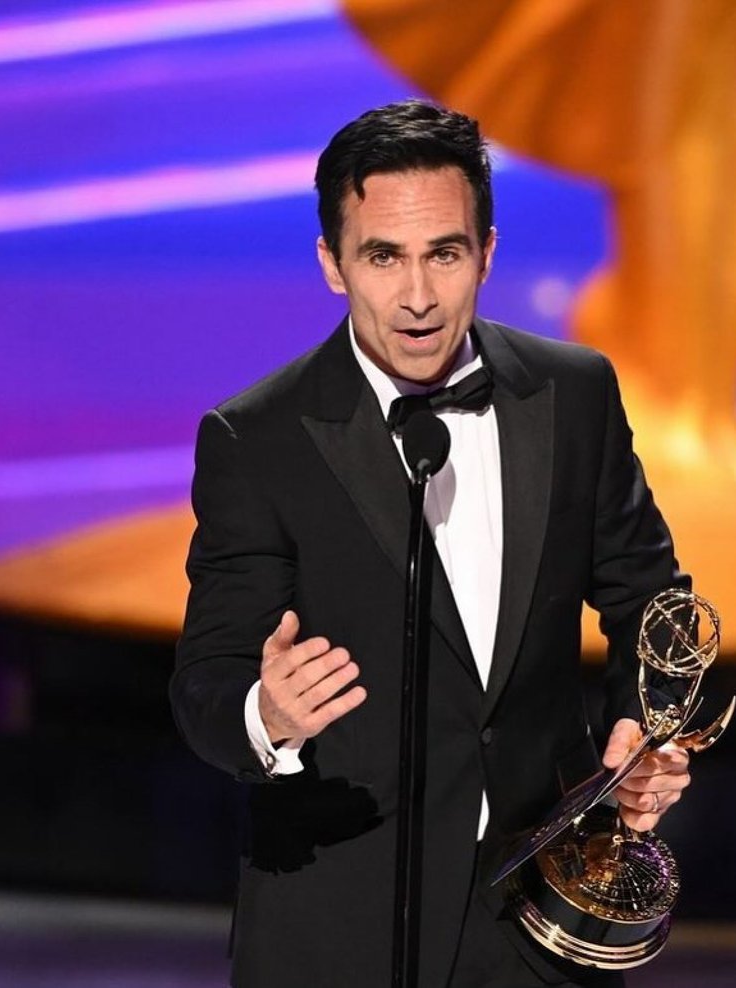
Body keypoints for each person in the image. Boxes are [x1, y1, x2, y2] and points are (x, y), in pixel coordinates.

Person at [171, 99, 692, 988]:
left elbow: (653, 600)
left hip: (539, 916)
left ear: (486, 252)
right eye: (384, 257)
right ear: (333, 265)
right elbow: (206, 686)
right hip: (339, 923)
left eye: (443, 254)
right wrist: (270, 715)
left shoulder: (573, 394)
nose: (417, 297)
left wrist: (645, 729)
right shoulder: (257, 438)